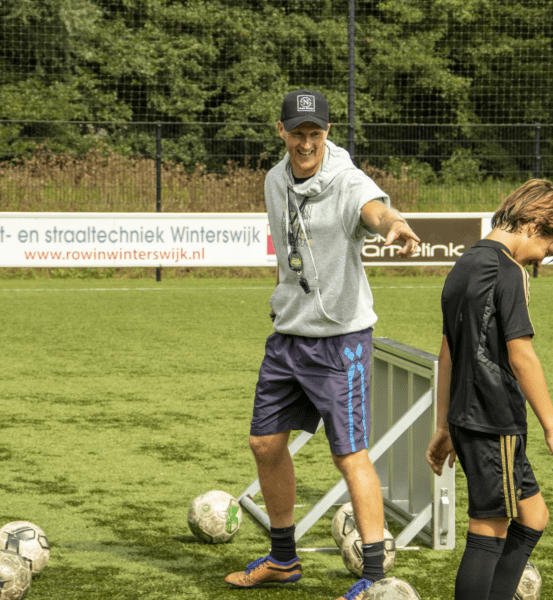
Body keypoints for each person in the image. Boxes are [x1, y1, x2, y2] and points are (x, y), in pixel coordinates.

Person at [224, 89, 420, 600]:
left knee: (349, 454)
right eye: (297, 132)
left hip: (340, 341)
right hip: (288, 333)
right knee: (264, 444)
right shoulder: (274, 179)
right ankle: (284, 559)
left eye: (316, 132)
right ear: (283, 131)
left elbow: (374, 210)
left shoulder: (348, 179)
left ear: (327, 133)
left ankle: (375, 578)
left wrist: (393, 225)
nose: (306, 141)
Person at [425, 179, 553, 600]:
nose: (539, 263)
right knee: (488, 530)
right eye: (547, 250)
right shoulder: (507, 270)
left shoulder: (464, 262)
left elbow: (447, 352)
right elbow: (521, 355)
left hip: (466, 416)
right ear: (533, 224)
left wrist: (443, 425)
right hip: (494, 419)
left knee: (533, 517)